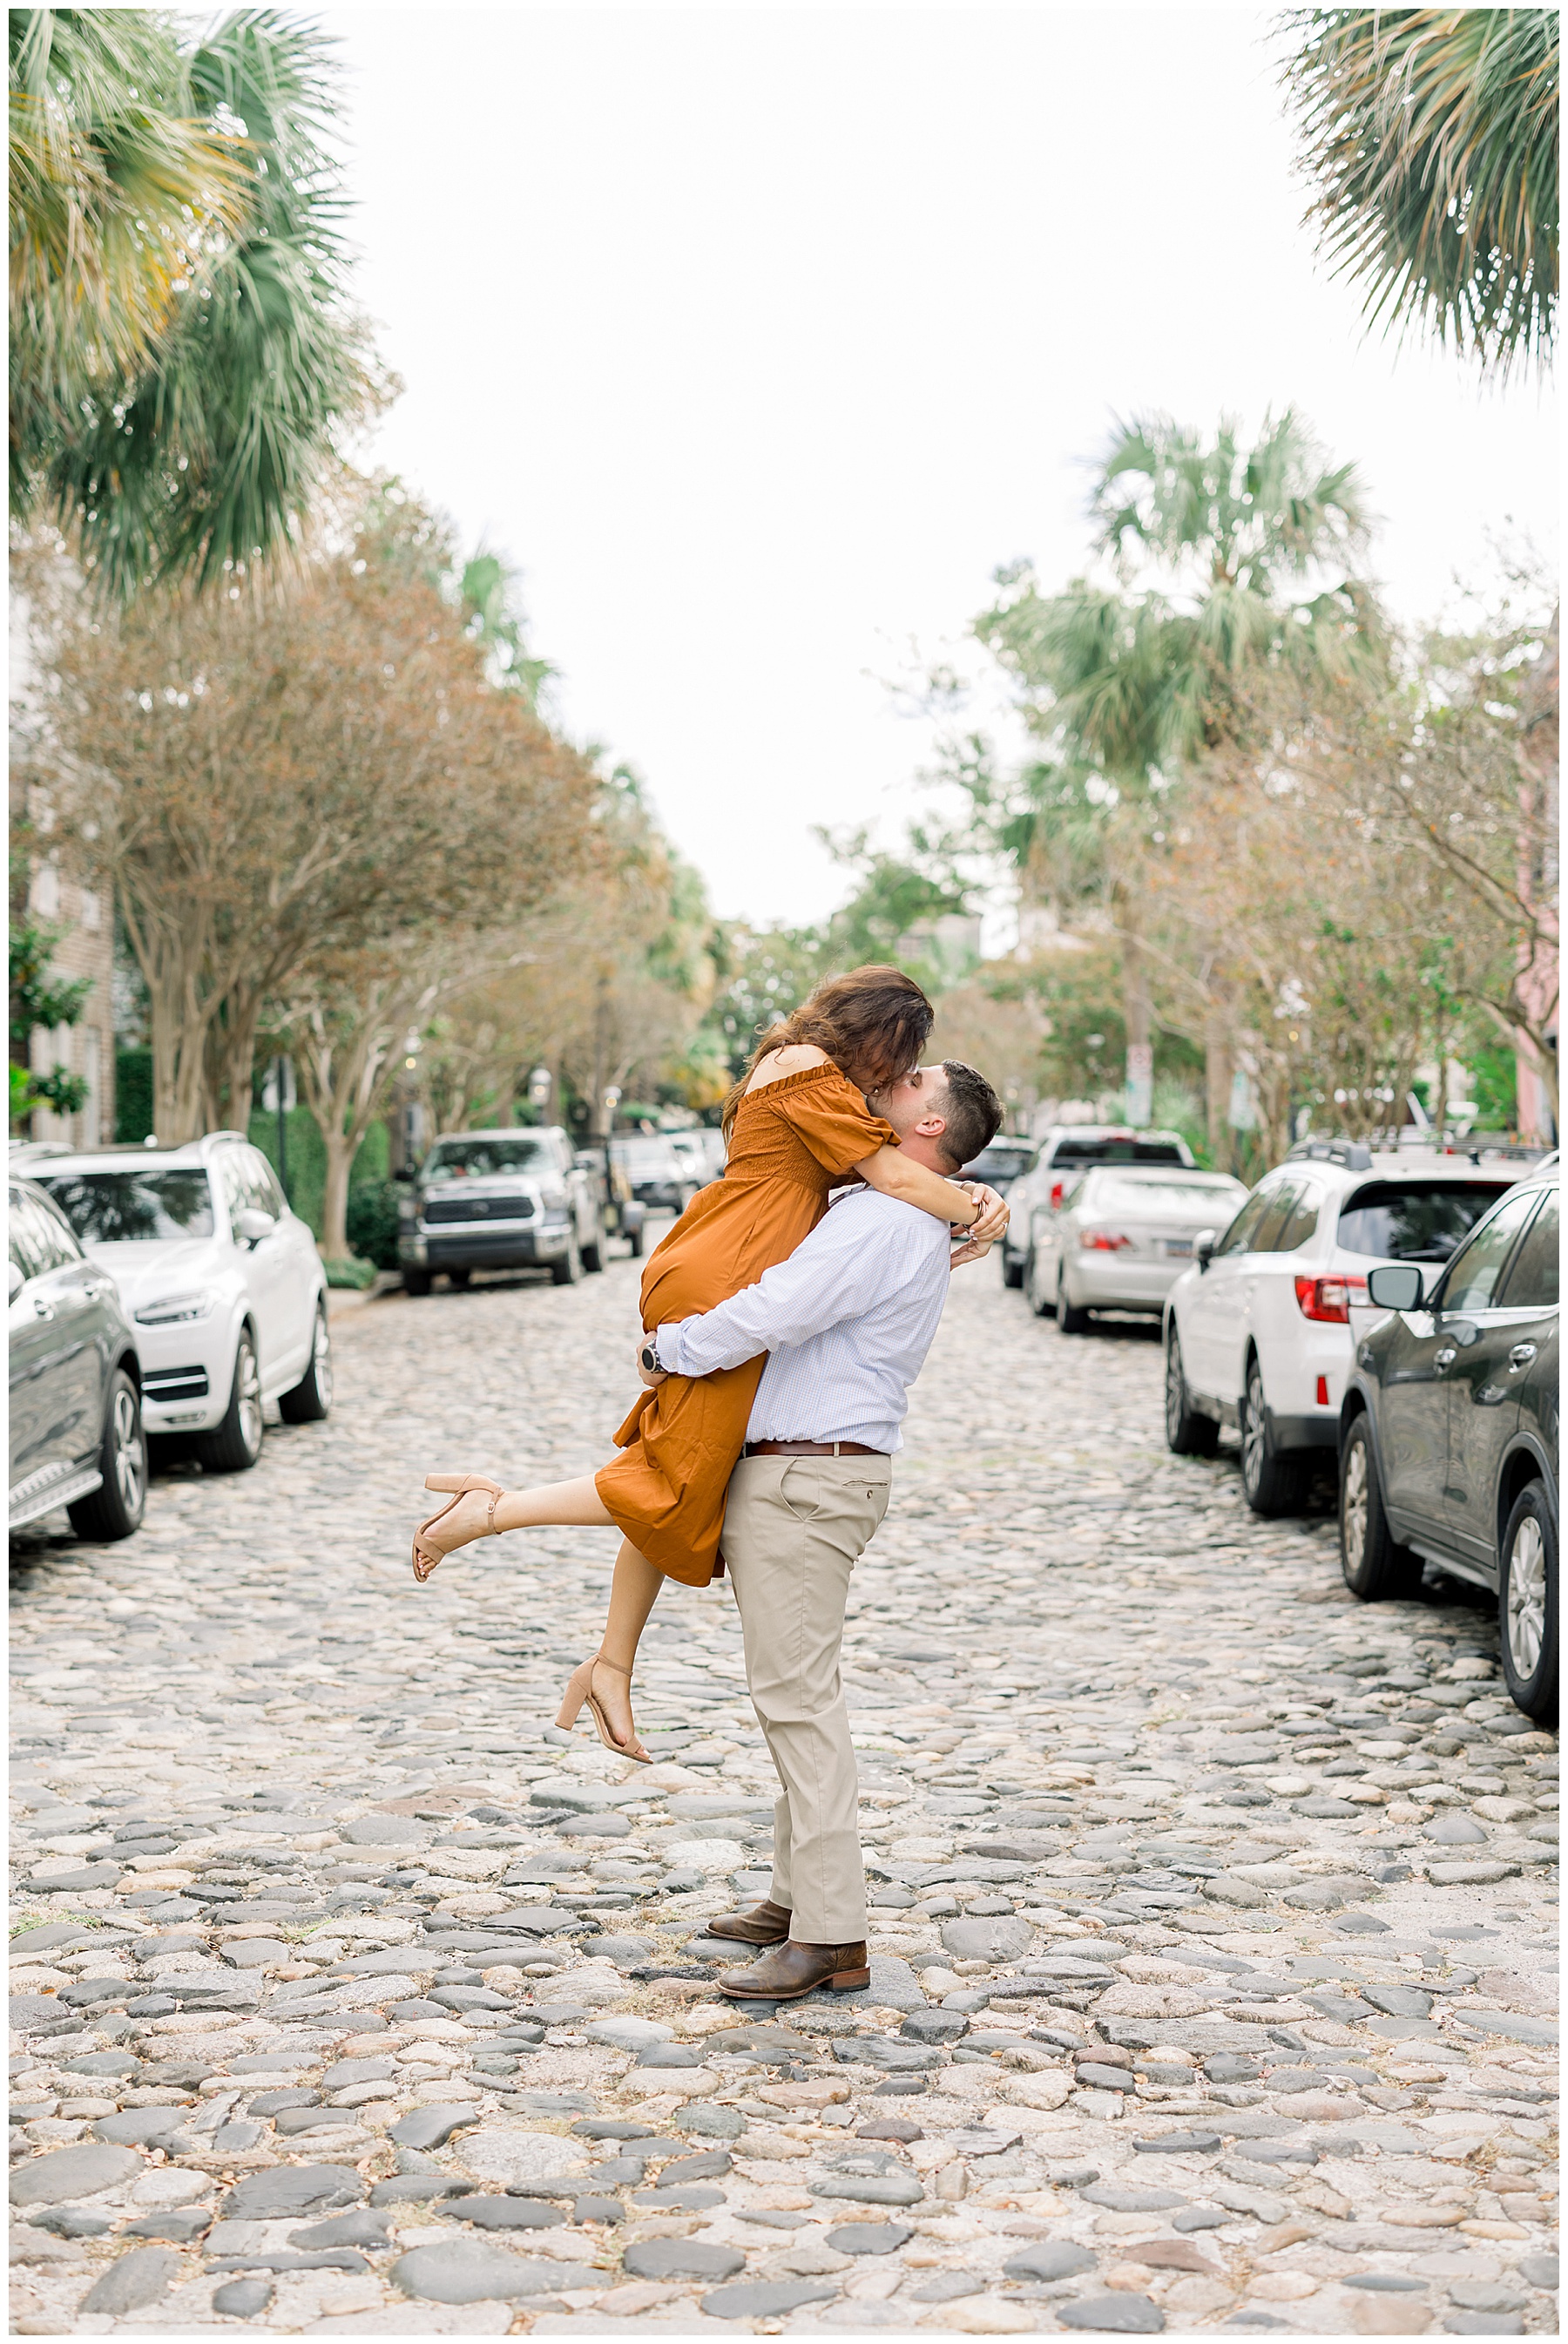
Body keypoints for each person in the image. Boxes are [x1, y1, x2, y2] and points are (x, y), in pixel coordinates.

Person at [410, 967, 1009, 1761]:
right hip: (725, 1272)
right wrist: (982, 1207)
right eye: (895, 1059)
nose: (890, 1079)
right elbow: (902, 1175)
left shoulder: (816, 1077)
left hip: (737, 1262)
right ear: (866, 1032)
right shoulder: (805, 1069)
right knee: (676, 1474)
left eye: (906, 1071)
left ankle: (611, 1663)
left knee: (683, 1471)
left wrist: (974, 1196)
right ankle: (489, 1513)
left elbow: (895, 1177)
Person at [637, 1058, 1004, 2001]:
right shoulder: (891, 1204)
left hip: (808, 1474)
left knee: (800, 1703)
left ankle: (832, 1932)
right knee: (797, 1693)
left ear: (929, 1123)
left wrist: (669, 1350)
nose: (889, 1078)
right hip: (817, 1470)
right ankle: (796, 1897)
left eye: (912, 1076)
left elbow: (779, 1309)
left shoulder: (885, 1216)